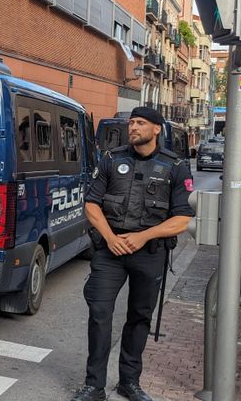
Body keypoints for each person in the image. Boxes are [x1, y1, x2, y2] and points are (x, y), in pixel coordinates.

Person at [71, 107, 195, 401]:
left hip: (148, 252)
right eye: (131, 123)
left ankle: (129, 381)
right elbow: (91, 204)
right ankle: (94, 385)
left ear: (156, 130)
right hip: (110, 250)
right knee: (100, 313)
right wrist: (111, 238)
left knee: (139, 317)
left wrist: (143, 236)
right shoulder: (112, 159)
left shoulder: (175, 166)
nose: (133, 127)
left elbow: (182, 218)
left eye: (140, 123)